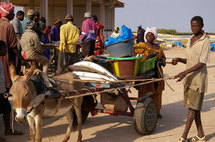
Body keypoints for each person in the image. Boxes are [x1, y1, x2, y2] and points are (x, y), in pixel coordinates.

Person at [172, 16, 210, 142]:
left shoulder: (205, 41)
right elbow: (190, 60)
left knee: (192, 110)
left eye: (196, 26)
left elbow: (201, 63)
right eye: (192, 26)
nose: (194, 28)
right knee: (194, 108)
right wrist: (179, 59)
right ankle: (201, 135)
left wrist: (184, 72)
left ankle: (183, 137)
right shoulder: (190, 40)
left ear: (202, 25)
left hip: (198, 80)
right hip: (189, 79)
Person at [0, 2, 24, 136]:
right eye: (12, 12)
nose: (13, 14)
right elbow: (13, 46)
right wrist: (21, 58)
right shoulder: (8, 26)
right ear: (7, 13)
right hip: (6, 63)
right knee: (6, 96)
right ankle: (8, 129)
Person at [133, 27, 166, 119]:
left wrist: (162, 61)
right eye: (148, 35)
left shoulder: (158, 47)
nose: (149, 36)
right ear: (145, 36)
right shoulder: (141, 45)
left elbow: (163, 58)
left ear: (155, 37)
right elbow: (134, 54)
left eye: (151, 35)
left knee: (157, 93)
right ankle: (140, 111)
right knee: (143, 92)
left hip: (157, 73)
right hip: (144, 73)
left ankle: (156, 111)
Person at [11, 10, 25, 74]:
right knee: (17, 60)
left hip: (19, 43)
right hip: (17, 43)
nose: (23, 18)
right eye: (22, 16)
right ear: (18, 16)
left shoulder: (18, 22)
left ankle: (18, 72)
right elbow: (17, 34)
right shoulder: (15, 22)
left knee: (19, 61)